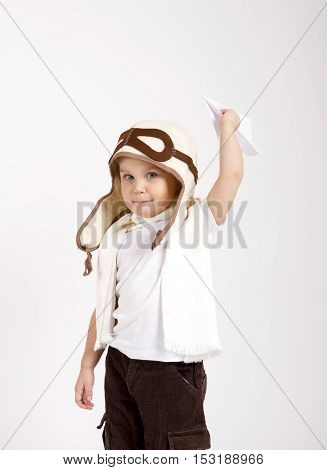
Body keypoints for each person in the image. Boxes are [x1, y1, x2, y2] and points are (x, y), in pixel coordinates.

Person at [74, 113, 243, 450]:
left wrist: (228, 129)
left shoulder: (191, 224)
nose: (138, 186)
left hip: (168, 371)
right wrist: (87, 365)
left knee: (173, 450)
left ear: (179, 179)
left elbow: (232, 176)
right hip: (120, 364)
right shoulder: (120, 236)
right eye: (128, 176)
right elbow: (106, 307)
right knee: (122, 447)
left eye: (151, 174)